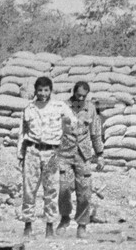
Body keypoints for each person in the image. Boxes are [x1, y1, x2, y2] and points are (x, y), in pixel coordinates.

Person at [20, 76, 69, 238]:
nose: (42, 93)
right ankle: (28, 225)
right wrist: (20, 154)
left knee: (52, 189)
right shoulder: (29, 109)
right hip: (33, 151)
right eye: (40, 90)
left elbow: (72, 123)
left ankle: (49, 225)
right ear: (35, 91)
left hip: (52, 152)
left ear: (51, 91)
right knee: (29, 189)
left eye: (46, 90)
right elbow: (22, 132)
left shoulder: (59, 107)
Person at [57, 81, 103, 240]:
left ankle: (82, 224)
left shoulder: (90, 108)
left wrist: (100, 154)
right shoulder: (63, 107)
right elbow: (54, 129)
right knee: (64, 188)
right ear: (73, 93)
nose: (81, 98)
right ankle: (64, 217)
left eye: (84, 96)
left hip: (83, 155)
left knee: (84, 192)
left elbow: (96, 133)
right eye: (78, 95)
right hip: (65, 153)